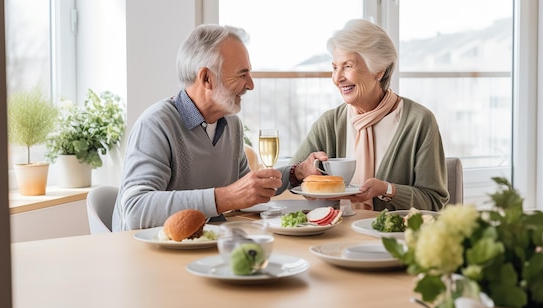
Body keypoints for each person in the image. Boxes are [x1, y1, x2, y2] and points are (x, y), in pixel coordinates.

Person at [112, 24, 321, 231]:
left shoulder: (231, 124)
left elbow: (245, 188)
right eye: (242, 74)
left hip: (207, 248)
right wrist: (225, 197)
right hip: (151, 256)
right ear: (206, 78)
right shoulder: (155, 125)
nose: (250, 84)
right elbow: (134, 211)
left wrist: (296, 172)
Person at [288, 19, 449, 212]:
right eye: (334, 67)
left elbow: (433, 201)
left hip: (393, 239)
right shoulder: (329, 123)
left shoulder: (419, 122)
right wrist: (303, 172)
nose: (337, 78)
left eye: (347, 66)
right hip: (336, 236)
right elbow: (291, 182)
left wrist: (387, 189)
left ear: (378, 70)